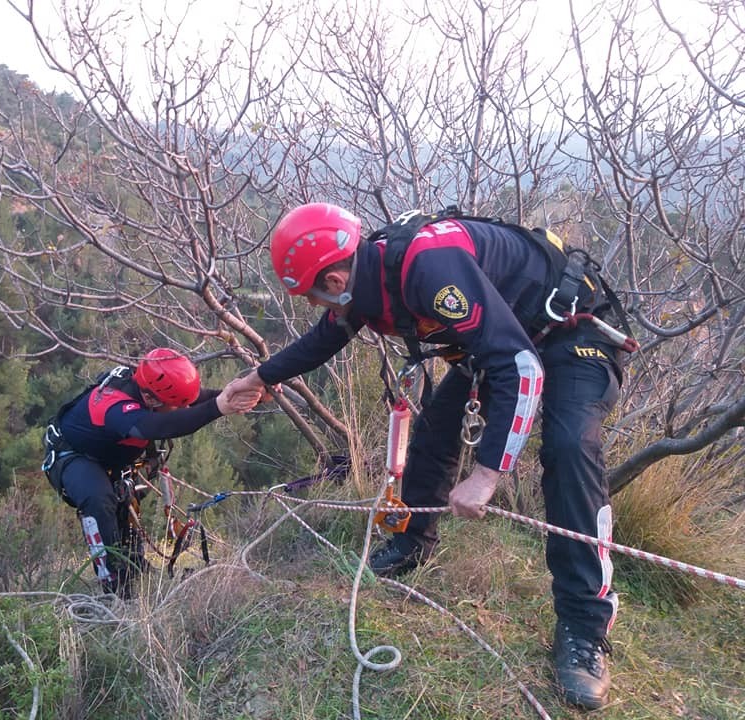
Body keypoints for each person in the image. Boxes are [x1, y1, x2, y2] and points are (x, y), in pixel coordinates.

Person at [228, 202, 628, 710]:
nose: (315, 306)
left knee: (570, 447)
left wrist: (487, 473)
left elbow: (521, 368)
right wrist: (258, 379)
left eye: (312, 295)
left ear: (333, 279)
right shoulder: (369, 275)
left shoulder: (427, 268)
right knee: (436, 430)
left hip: (573, 331)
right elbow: (325, 338)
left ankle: (584, 630)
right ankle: (413, 541)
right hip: (504, 337)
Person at [42, 348, 260, 597]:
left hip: (108, 457)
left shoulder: (152, 387)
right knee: (99, 501)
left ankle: (136, 568)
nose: (181, 408)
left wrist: (240, 392)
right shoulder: (114, 405)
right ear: (153, 400)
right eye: (176, 405)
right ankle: (114, 585)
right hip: (72, 456)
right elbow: (156, 426)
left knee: (125, 505)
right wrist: (219, 407)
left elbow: (193, 398)